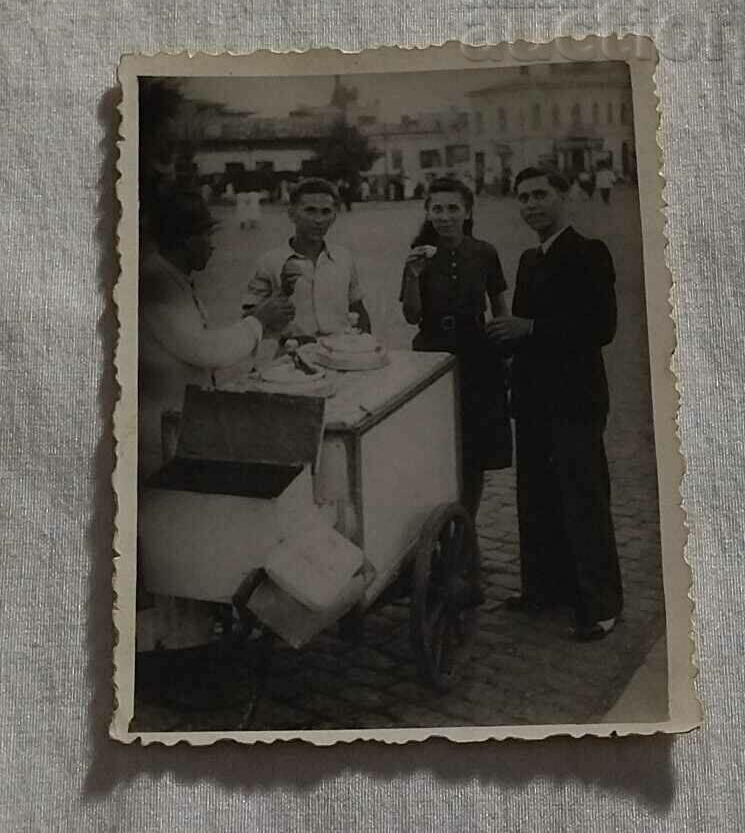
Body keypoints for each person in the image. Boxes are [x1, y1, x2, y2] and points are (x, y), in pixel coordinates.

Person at [138, 190, 294, 650]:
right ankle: (174, 640)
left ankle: (189, 626)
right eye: (207, 237)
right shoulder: (159, 282)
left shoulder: (172, 276)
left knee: (180, 531)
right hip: (155, 433)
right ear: (183, 240)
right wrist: (259, 324)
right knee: (174, 535)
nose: (213, 248)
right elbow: (201, 349)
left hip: (175, 423)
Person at [487, 166, 623, 641]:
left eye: (541, 195)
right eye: (523, 198)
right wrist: (507, 348)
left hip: (575, 397)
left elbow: (601, 328)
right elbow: (525, 331)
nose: (531, 205)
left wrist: (531, 329)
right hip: (533, 397)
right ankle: (544, 589)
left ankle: (601, 606)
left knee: (582, 497)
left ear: (564, 196)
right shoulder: (528, 259)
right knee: (537, 495)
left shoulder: (589, 253)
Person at [400, 176, 512, 521]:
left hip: (478, 354)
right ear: (427, 212)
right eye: (437, 209)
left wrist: (505, 352)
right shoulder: (417, 256)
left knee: (474, 450)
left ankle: (467, 525)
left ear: (467, 212)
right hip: (433, 355)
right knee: (436, 443)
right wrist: (412, 275)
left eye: (452, 208)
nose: (444, 216)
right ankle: (439, 523)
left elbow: (499, 307)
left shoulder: (484, 252)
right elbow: (411, 315)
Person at [242, 177, 371, 339]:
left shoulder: (343, 258)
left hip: (338, 353)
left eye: (326, 212)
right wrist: (279, 297)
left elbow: (357, 307)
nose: (318, 220)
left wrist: (368, 347)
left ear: (334, 217)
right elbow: (248, 318)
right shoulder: (269, 262)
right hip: (291, 355)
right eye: (310, 210)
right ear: (292, 214)